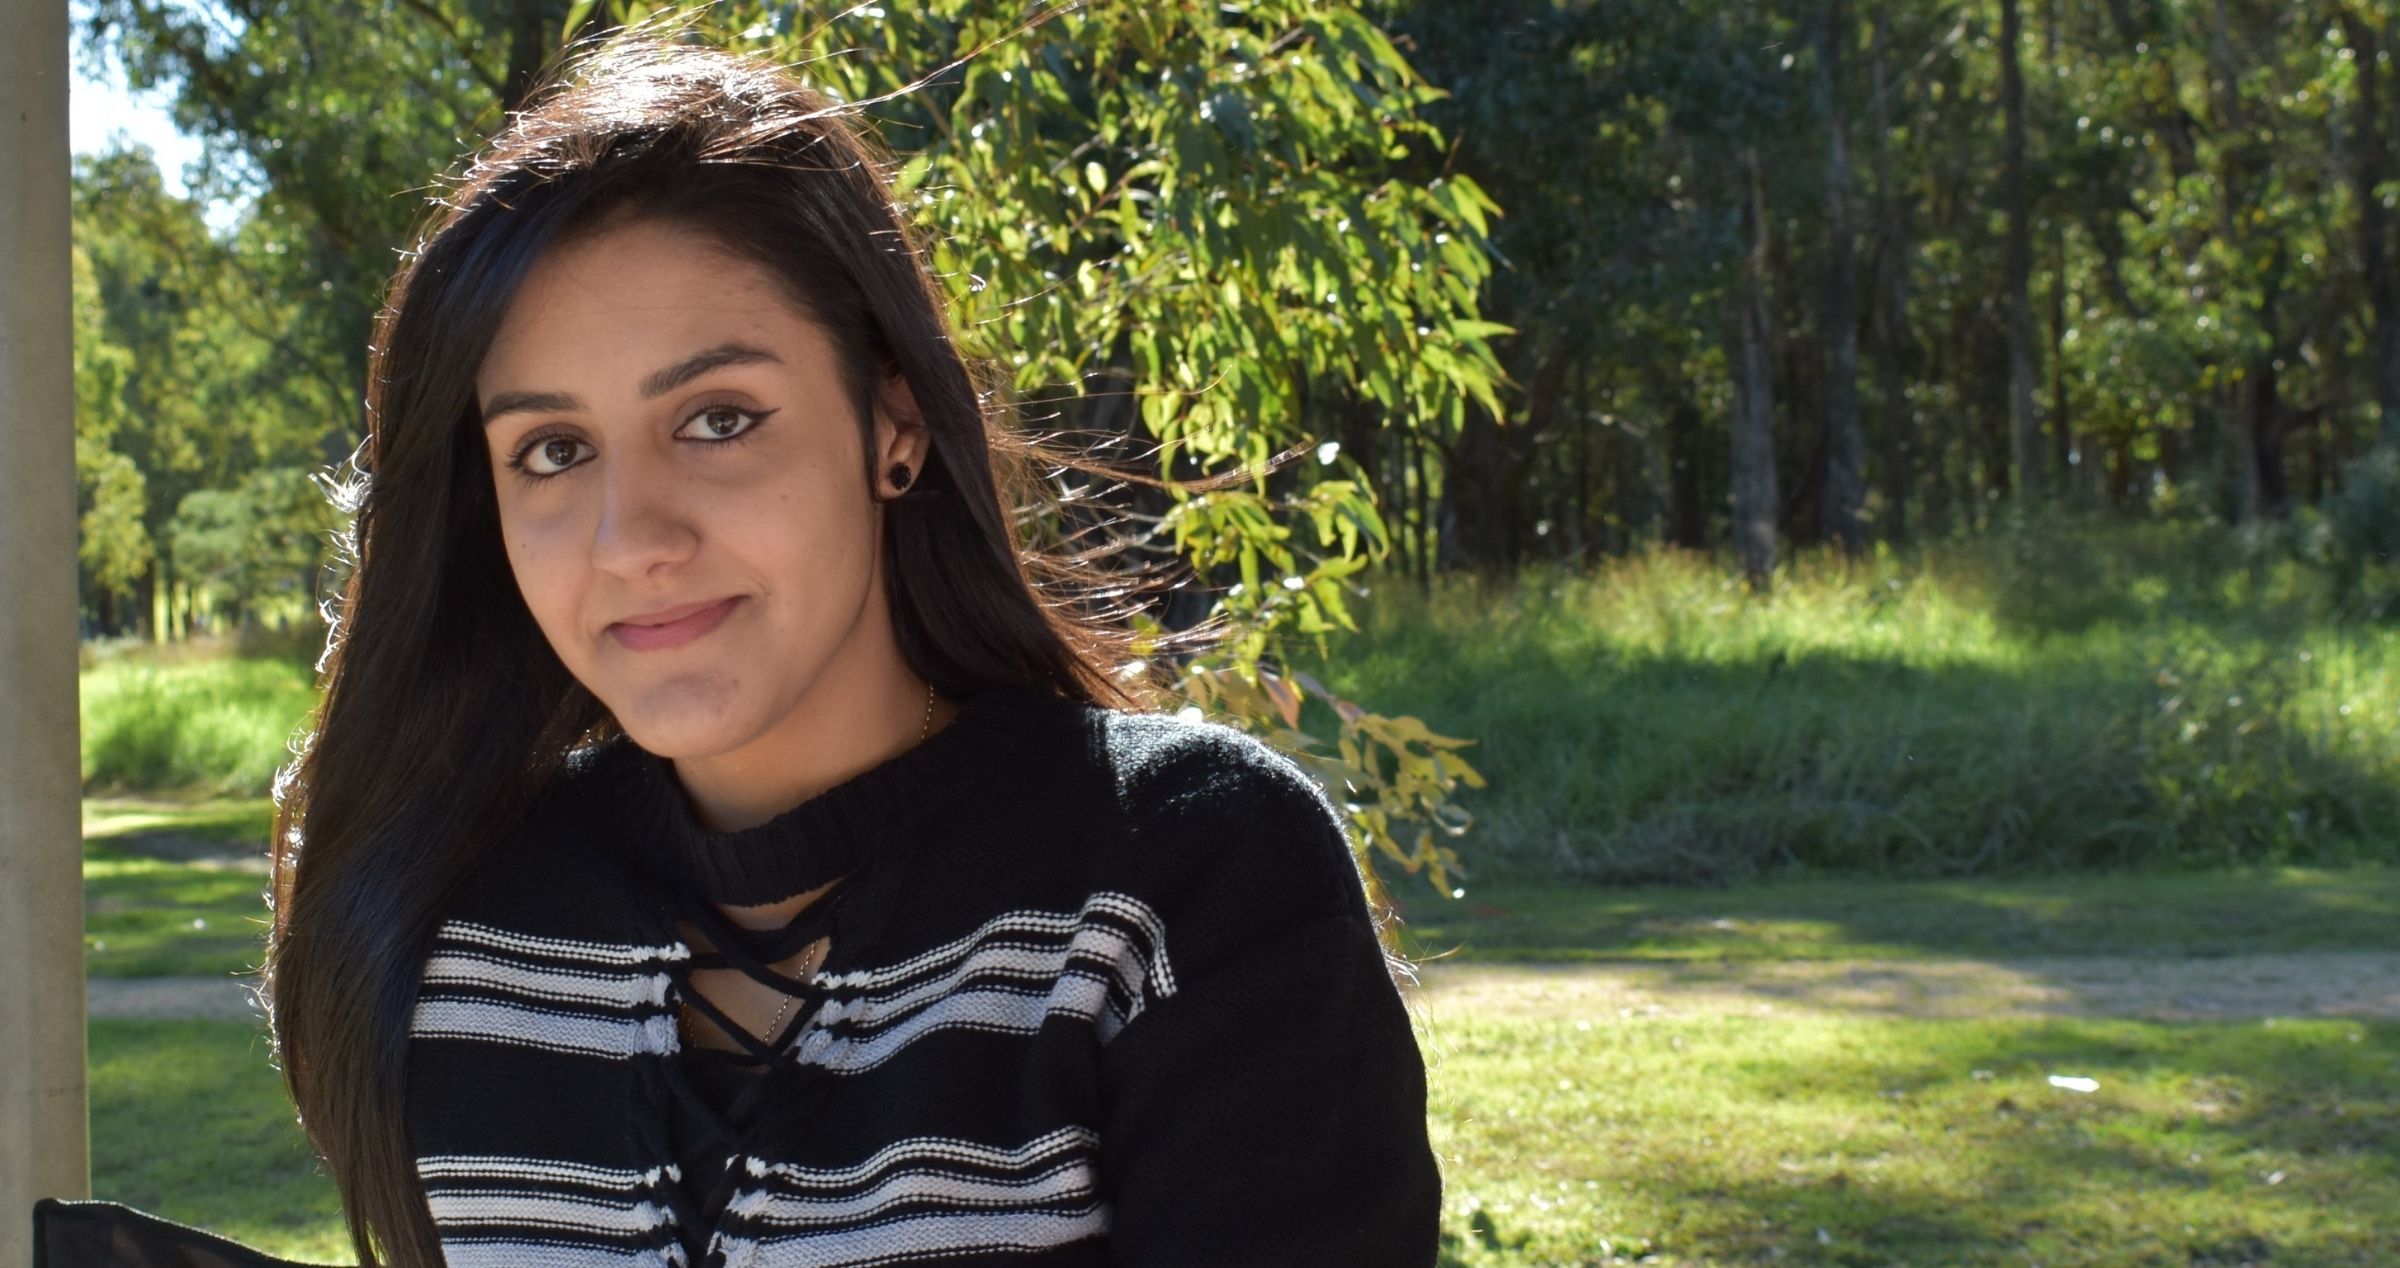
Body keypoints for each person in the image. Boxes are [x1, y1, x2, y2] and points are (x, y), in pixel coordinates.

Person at [262, 30, 1442, 1268]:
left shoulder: (1179, 875)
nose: (631, 539)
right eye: (553, 449)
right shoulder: (468, 924)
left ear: (894, 424)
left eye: (717, 420)